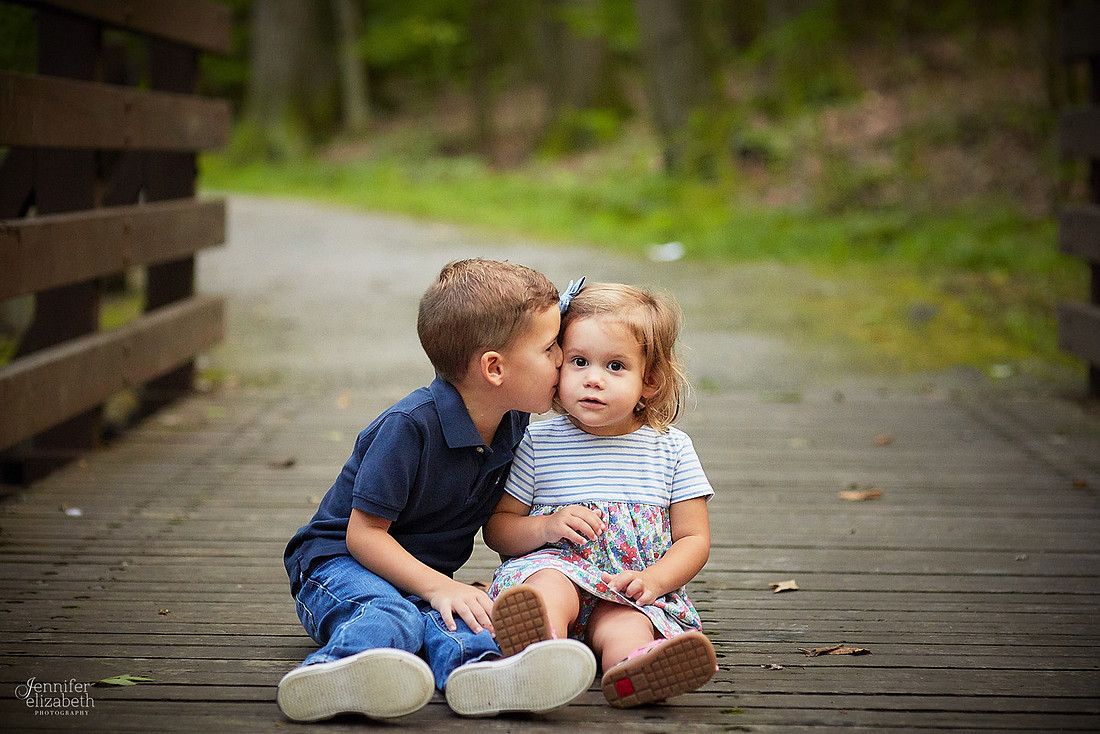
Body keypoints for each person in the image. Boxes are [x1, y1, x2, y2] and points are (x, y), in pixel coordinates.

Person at [278, 259, 597, 722]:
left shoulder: (513, 421)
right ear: (494, 368)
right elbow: (362, 536)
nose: (562, 359)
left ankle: (484, 675)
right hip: (336, 564)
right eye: (551, 348)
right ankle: (334, 672)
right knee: (393, 616)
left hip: (420, 577)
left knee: (468, 622)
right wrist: (436, 584)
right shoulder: (409, 428)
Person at [483, 280, 718, 708]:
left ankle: (632, 671)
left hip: (626, 586)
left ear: (650, 380)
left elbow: (693, 539)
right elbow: (498, 530)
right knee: (547, 588)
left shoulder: (671, 449)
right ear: (557, 366)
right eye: (578, 361)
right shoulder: (539, 442)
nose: (593, 379)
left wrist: (654, 580)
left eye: (615, 366)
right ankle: (542, 651)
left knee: (627, 626)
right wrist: (546, 526)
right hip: (559, 567)